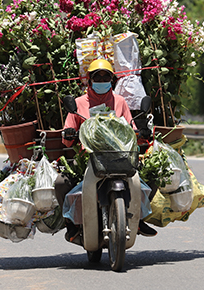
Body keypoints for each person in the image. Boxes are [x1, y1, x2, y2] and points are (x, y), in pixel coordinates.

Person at [57, 59, 157, 242]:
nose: (102, 80)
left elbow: (130, 128)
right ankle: (71, 225)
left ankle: (139, 217)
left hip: (119, 157)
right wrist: (70, 134)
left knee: (153, 177)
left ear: (112, 80)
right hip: (89, 159)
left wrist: (141, 133)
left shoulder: (120, 102)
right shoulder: (78, 104)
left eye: (106, 77)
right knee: (60, 183)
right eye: (97, 77)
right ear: (89, 79)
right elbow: (66, 138)